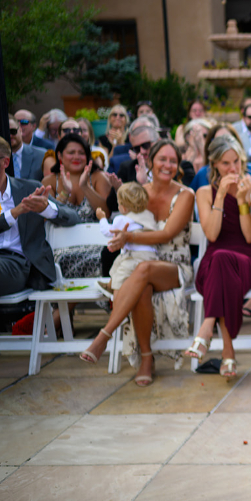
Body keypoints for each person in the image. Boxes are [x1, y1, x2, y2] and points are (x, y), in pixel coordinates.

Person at [79, 140, 195, 386]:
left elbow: (165, 235)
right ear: (151, 161)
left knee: (142, 270)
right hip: (140, 267)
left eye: (173, 160)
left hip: (174, 266)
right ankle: (146, 358)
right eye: (162, 159)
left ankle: (104, 336)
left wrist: (128, 237)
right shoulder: (139, 192)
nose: (168, 165)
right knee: (141, 284)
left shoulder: (186, 195)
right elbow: (110, 213)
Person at [187, 135, 251, 378]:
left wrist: (242, 201)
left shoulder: (250, 189)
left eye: (237, 162)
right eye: (226, 163)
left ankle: (207, 328)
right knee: (219, 261)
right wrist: (220, 196)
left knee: (221, 263)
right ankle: (228, 351)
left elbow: (250, 237)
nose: (233, 168)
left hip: (245, 259)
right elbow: (212, 233)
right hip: (216, 259)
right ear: (214, 165)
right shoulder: (205, 192)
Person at [0, 135, 80, 296]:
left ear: (5, 162)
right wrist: (14, 213)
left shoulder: (29, 188)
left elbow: (73, 217)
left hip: (18, 263)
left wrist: (45, 209)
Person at [43, 134, 112, 279]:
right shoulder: (49, 181)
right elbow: (45, 217)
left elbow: (106, 212)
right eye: (71, 152)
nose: (77, 157)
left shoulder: (99, 177)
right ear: (60, 155)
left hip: (95, 244)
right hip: (61, 246)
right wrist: (64, 193)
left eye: (81, 153)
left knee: (100, 258)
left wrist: (85, 187)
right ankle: (66, 302)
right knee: (57, 261)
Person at [96, 183, 158, 294]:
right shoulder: (149, 215)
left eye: (119, 204)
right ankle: (110, 285)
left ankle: (116, 298)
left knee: (121, 276)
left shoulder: (122, 219)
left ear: (123, 207)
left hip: (134, 257)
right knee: (118, 263)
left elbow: (108, 231)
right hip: (151, 256)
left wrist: (102, 218)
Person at [7, 115, 45, 181]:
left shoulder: (42, 155)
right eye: (6, 132)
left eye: (13, 131)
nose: (10, 135)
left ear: (20, 130)